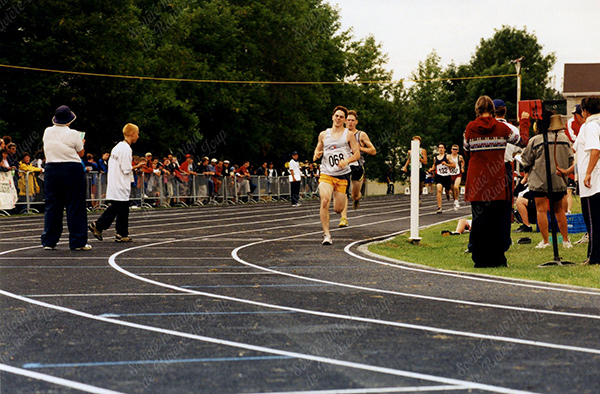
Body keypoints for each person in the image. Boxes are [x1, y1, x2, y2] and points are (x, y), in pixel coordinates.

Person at [463, 96, 530, 268]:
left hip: (478, 181)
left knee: (479, 220)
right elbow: (522, 142)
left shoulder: (470, 128)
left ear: (477, 109)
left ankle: (480, 258)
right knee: (497, 220)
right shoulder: (502, 128)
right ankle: (498, 257)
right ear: (493, 109)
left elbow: (466, 150)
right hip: (497, 181)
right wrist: (524, 123)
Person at [41, 105, 91, 250]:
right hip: (71, 168)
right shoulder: (74, 134)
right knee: (75, 205)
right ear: (69, 120)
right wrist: (82, 144)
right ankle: (78, 241)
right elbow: (81, 154)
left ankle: (49, 240)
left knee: (52, 205)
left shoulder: (47, 131)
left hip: (52, 168)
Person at [522, 115, 573, 249]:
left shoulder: (536, 140)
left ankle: (545, 241)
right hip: (558, 179)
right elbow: (570, 159)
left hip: (539, 180)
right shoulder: (564, 138)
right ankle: (566, 240)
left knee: (541, 210)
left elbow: (526, 159)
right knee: (559, 210)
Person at [89, 123, 145, 243]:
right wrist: (137, 166)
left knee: (121, 209)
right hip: (120, 183)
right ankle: (98, 225)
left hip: (115, 182)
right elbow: (126, 168)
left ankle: (121, 233)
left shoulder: (117, 147)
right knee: (117, 208)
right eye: (137, 134)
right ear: (132, 134)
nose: (138, 136)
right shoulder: (126, 149)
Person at [560, 96, 600, 264]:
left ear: (585, 111)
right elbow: (581, 156)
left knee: (592, 222)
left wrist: (588, 172)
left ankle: (594, 256)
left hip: (593, 183)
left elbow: (595, 150)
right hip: (595, 180)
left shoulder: (589, 126)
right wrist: (568, 171)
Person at [313, 106, 361, 245]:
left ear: (344, 120)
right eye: (337, 116)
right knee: (324, 201)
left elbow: (357, 154)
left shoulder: (348, 135)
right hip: (326, 173)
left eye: (341, 117)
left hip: (342, 175)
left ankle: (337, 195)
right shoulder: (323, 134)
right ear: (332, 117)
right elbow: (318, 147)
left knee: (338, 209)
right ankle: (326, 235)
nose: (338, 118)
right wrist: (316, 153)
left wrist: (346, 160)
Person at [339, 110, 376, 226]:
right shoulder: (340, 133)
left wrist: (360, 148)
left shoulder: (361, 135)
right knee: (344, 192)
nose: (350, 122)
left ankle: (357, 198)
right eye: (348, 120)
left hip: (357, 166)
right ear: (345, 121)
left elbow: (373, 150)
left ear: (356, 122)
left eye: (352, 120)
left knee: (354, 194)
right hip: (345, 165)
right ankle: (343, 218)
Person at [430, 143, 456, 214]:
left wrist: (446, 164)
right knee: (439, 190)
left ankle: (447, 194)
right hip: (439, 176)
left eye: (442, 148)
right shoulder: (435, 158)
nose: (440, 149)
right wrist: (431, 169)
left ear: (444, 149)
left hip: (447, 176)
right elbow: (434, 165)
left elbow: (454, 165)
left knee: (447, 190)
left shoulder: (447, 157)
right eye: (439, 148)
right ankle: (439, 207)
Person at [448, 144, 465, 210]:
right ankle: (455, 200)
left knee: (456, 187)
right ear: (451, 150)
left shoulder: (459, 157)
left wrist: (462, 167)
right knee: (452, 190)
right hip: (450, 174)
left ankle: (457, 200)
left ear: (458, 150)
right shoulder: (448, 156)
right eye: (453, 149)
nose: (454, 150)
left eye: (456, 149)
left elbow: (463, 162)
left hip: (457, 174)